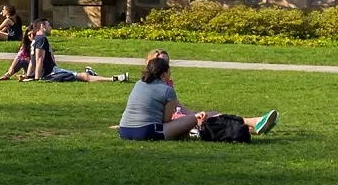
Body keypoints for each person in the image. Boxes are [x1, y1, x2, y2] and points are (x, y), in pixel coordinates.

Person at [117, 56, 276, 140]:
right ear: (164, 74)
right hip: (148, 132)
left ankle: (252, 128)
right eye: (170, 72)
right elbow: (166, 120)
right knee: (202, 117)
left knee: (198, 120)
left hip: (125, 130)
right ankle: (252, 122)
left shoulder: (139, 83)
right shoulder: (167, 90)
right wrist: (190, 118)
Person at [20, 20, 127, 83]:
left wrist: (29, 76)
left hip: (49, 72)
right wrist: (37, 78)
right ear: (42, 26)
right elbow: (38, 60)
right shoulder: (41, 39)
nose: (50, 27)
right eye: (48, 25)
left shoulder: (34, 41)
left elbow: (32, 61)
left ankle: (93, 73)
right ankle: (112, 79)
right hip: (51, 72)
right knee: (82, 76)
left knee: (77, 75)